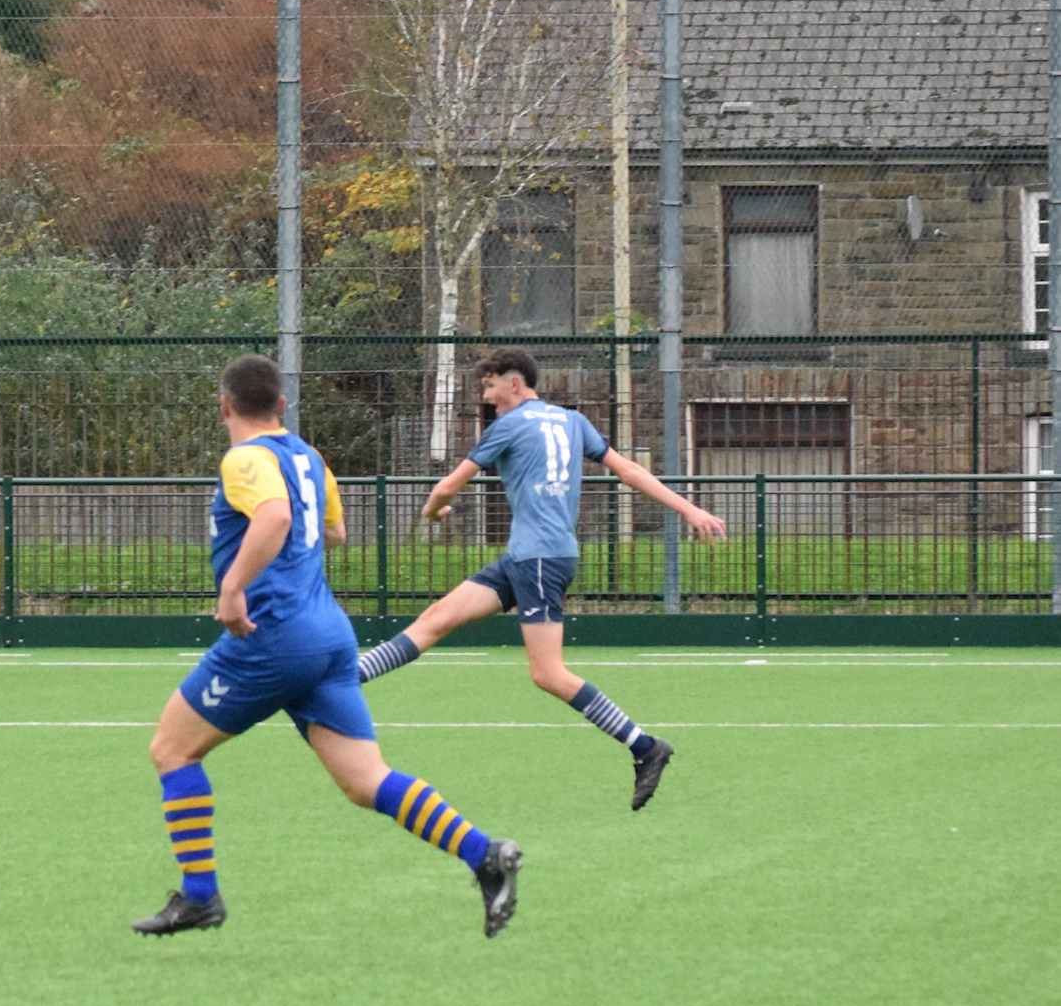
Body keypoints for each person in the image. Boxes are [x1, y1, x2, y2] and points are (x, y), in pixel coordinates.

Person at [137, 355, 521, 940]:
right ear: (282, 406)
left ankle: (199, 897)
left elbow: (274, 515)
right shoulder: (308, 456)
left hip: (272, 637)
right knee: (365, 780)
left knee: (172, 750)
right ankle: (483, 854)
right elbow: (334, 531)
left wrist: (235, 587)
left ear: (224, 405)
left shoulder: (245, 458)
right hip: (329, 635)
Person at [356, 346, 728, 811]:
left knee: (547, 673)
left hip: (538, 561)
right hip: (529, 558)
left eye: (490, 387)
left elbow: (446, 486)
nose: (487, 398)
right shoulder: (572, 420)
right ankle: (347, 679)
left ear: (515, 383)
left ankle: (645, 747)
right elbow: (629, 470)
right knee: (435, 620)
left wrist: (434, 514)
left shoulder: (508, 426)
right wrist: (690, 508)